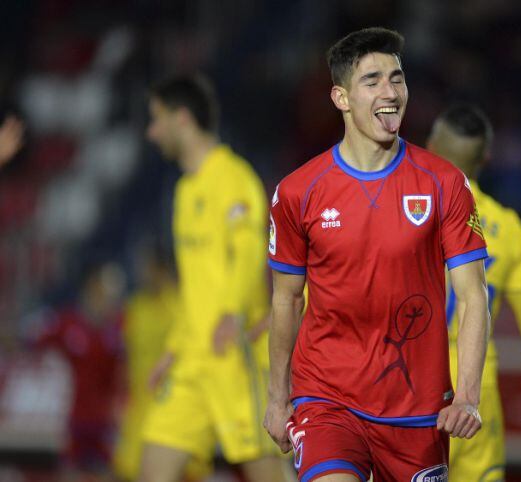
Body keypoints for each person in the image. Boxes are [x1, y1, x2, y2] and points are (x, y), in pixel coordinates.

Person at [263, 27, 491, 482]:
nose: (391, 93)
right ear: (341, 98)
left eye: (397, 79)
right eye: (373, 81)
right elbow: (286, 300)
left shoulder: (444, 184)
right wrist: (277, 397)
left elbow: (472, 296)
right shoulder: (296, 192)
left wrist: (466, 396)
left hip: (417, 413)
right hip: (326, 399)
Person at [142, 74, 287, 482]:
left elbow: (248, 254)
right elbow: (194, 285)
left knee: (265, 472)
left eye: (156, 119)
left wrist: (232, 313)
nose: (151, 132)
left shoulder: (234, 179)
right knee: (151, 469)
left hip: (232, 354)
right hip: (191, 359)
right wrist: (173, 348)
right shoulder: (186, 191)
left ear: (182, 119)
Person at [427, 103, 521, 482]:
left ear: (430, 147)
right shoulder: (508, 229)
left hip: (406, 380)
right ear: (486, 158)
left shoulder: (399, 211)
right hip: (475, 389)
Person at [112, 243, 210, 481]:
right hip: (139, 408)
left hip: (176, 405)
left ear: (161, 269)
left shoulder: (182, 307)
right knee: (129, 472)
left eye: (147, 267)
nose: (142, 273)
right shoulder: (134, 308)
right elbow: (122, 358)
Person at [33, 262, 124, 481]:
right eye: (105, 292)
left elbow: (121, 373)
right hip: (75, 418)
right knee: (70, 473)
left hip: (104, 420)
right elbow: (34, 340)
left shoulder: (118, 327)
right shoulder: (69, 323)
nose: (109, 299)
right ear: (91, 289)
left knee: (107, 473)